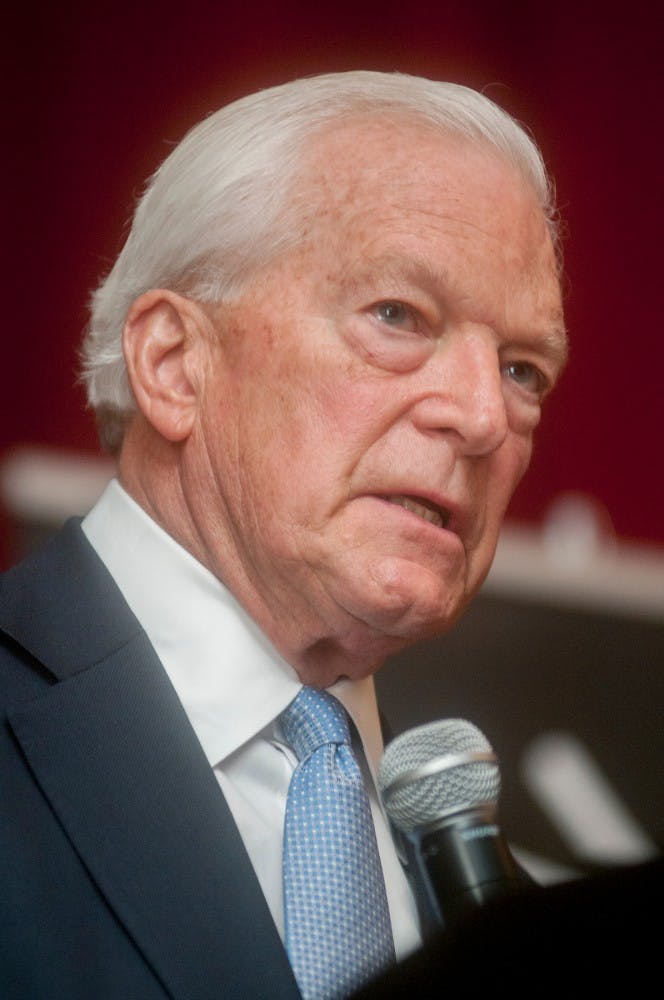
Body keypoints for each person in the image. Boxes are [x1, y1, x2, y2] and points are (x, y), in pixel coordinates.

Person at [0, 71, 566, 999]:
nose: (481, 417)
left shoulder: (494, 907)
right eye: (397, 316)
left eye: (523, 370)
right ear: (176, 365)